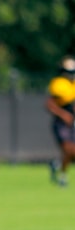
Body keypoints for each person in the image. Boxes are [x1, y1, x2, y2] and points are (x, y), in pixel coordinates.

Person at [45, 55, 75, 187]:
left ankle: (57, 166)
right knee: (69, 149)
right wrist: (64, 115)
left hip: (72, 122)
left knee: (71, 151)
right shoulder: (58, 84)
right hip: (61, 124)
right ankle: (62, 175)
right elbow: (50, 104)